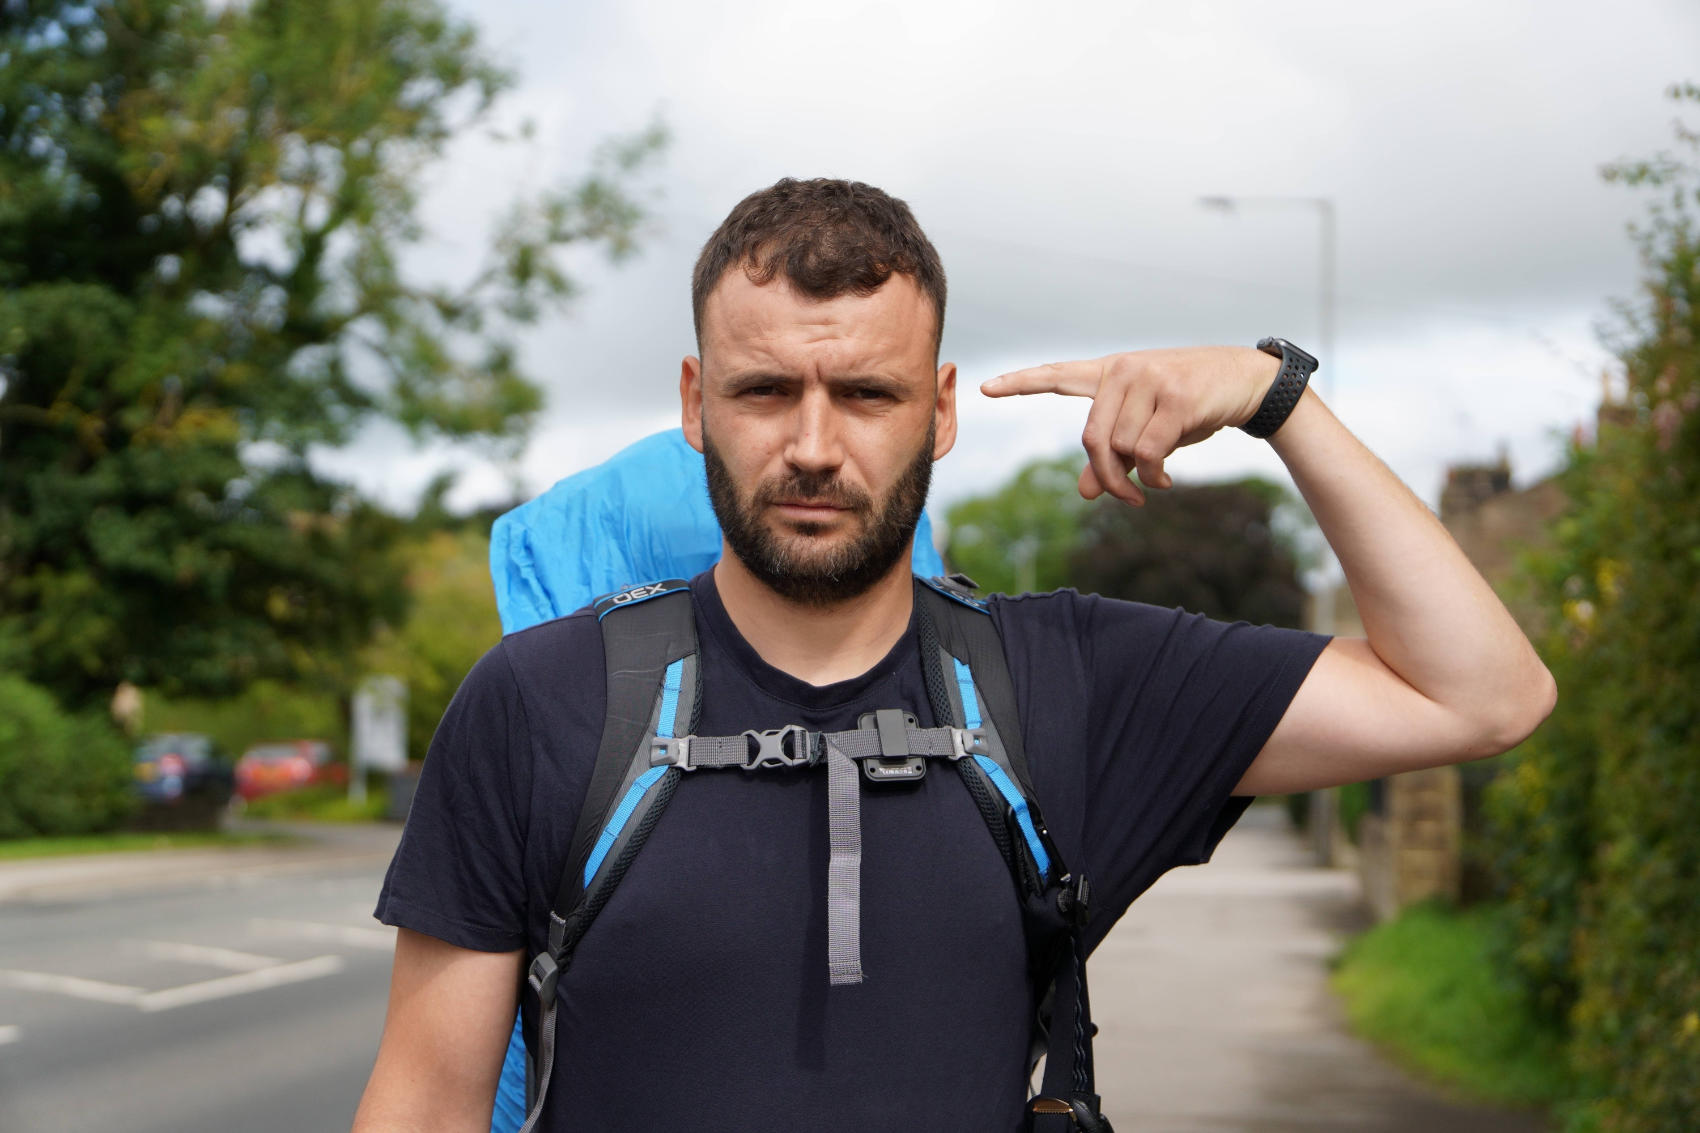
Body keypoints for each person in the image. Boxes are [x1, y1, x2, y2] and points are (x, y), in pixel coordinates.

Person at [351, 178, 1555, 1133]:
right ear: (693, 401)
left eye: (864, 394)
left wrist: (1270, 395)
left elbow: (1481, 693)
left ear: (939, 410)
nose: (812, 445)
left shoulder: (1064, 681)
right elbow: (423, 1105)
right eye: (765, 389)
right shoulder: (540, 700)